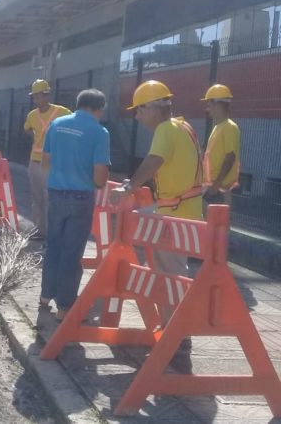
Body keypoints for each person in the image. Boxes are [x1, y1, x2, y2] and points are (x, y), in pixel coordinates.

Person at [113, 80, 203, 279]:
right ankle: (152, 287)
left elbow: (154, 160)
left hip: (175, 212)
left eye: (139, 110)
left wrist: (129, 186)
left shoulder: (166, 129)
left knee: (172, 273)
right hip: (183, 209)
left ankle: (170, 306)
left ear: (152, 108)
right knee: (134, 221)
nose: (137, 117)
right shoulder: (182, 126)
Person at [39, 89, 110, 321]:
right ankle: (65, 308)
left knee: (54, 247)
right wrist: (97, 184)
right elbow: (100, 175)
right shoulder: (100, 132)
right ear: (98, 108)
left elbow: (46, 161)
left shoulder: (56, 124)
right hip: (81, 198)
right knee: (71, 252)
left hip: (56, 194)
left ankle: (45, 297)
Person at [23, 79, 71, 239]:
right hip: (35, 161)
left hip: (52, 162)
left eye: (39, 96)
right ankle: (40, 230)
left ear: (47, 95)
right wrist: (38, 140)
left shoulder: (62, 112)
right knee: (37, 197)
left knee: (50, 197)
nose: (36, 100)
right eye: (34, 97)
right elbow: (27, 129)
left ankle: (53, 232)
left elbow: (72, 127)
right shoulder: (32, 115)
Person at [201, 84, 240, 206]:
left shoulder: (229, 127)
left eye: (209, 105)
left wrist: (217, 183)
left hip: (219, 189)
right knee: (212, 222)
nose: (208, 109)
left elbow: (230, 157)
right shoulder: (218, 127)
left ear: (218, 104)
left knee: (217, 223)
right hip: (213, 186)